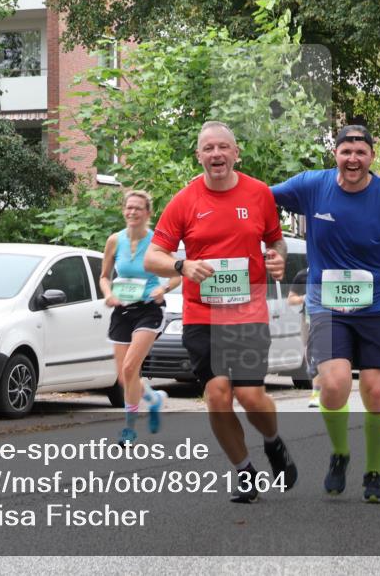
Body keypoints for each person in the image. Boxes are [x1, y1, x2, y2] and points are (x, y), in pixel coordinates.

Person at [144, 121, 296, 503]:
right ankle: (245, 471)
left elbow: (275, 241)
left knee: (249, 395)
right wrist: (182, 267)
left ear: (235, 153)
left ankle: (273, 442)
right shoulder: (184, 201)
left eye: (223, 147)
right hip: (202, 314)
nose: (216, 154)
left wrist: (278, 259)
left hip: (248, 313)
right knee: (217, 394)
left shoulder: (259, 194)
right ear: (199, 155)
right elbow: (153, 256)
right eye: (208, 148)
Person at [272, 125, 380, 503]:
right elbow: (260, 197)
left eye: (361, 152)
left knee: (375, 391)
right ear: (335, 154)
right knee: (335, 385)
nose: (353, 159)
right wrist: (220, 180)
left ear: (371, 156)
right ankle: (340, 453)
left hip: (378, 304)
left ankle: (373, 472)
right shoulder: (311, 186)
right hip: (326, 304)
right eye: (346, 151)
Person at [99, 190, 181, 446]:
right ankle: (154, 399)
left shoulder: (157, 242)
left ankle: (129, 429)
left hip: (149, 309)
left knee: (130, 368)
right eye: (129, 207)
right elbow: (104, 276)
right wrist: (108, 294)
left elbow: (178, 273)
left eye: (138, 208)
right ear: (123, 210)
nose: (132, 212)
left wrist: (163, 288)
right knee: (125, 377)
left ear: (148, 213)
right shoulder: (115, 240)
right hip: (122, 310)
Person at [286, 267, 320, 407]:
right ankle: (316, 392)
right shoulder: (302, 275)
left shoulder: (333, 271)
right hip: (308, 319)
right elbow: (291, 299)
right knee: (311, 355)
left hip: (331, 318)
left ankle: (322, 392)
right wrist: (304, 297)